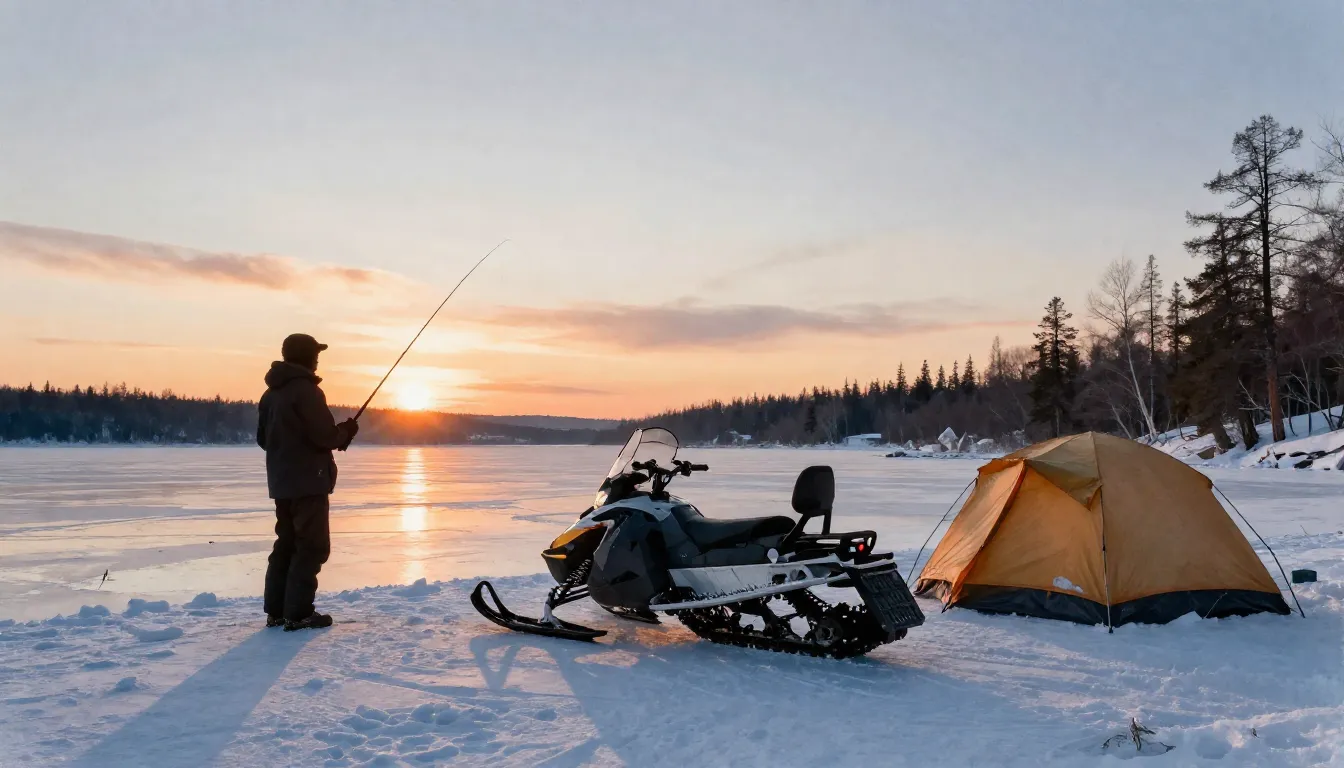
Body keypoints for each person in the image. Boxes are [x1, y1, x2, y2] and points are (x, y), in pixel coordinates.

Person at [256, 333, 359, 631]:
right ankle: (299, 613)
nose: (317, 360)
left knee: (286, 543)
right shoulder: (307, 392)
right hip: (308, 483)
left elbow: (263, 439)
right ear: (306, 357)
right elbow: (325, 436)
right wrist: (346, 432)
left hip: (282, 483)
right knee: (312, 546)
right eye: (315, 354)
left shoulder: (271, 394)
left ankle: (277, 612)